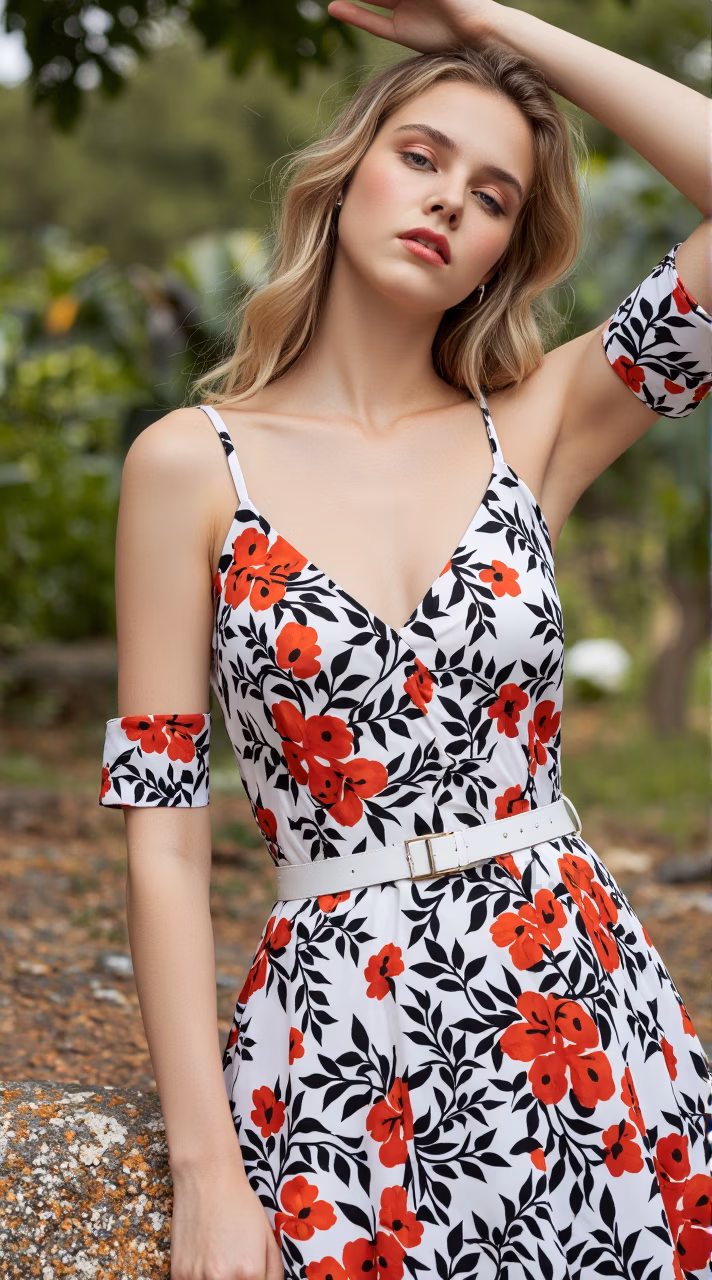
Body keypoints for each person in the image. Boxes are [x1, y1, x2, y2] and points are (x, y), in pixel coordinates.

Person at [98, 1, 712, 1277]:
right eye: (422, 156)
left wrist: (499, 26)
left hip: (575, 1017)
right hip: (335, 1042)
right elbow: (161, 835)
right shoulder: (186, 466)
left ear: (502, 251)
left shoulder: (537, 423)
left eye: (493, 196)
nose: (448, 203)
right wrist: (207, 1172)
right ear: (347, 172)